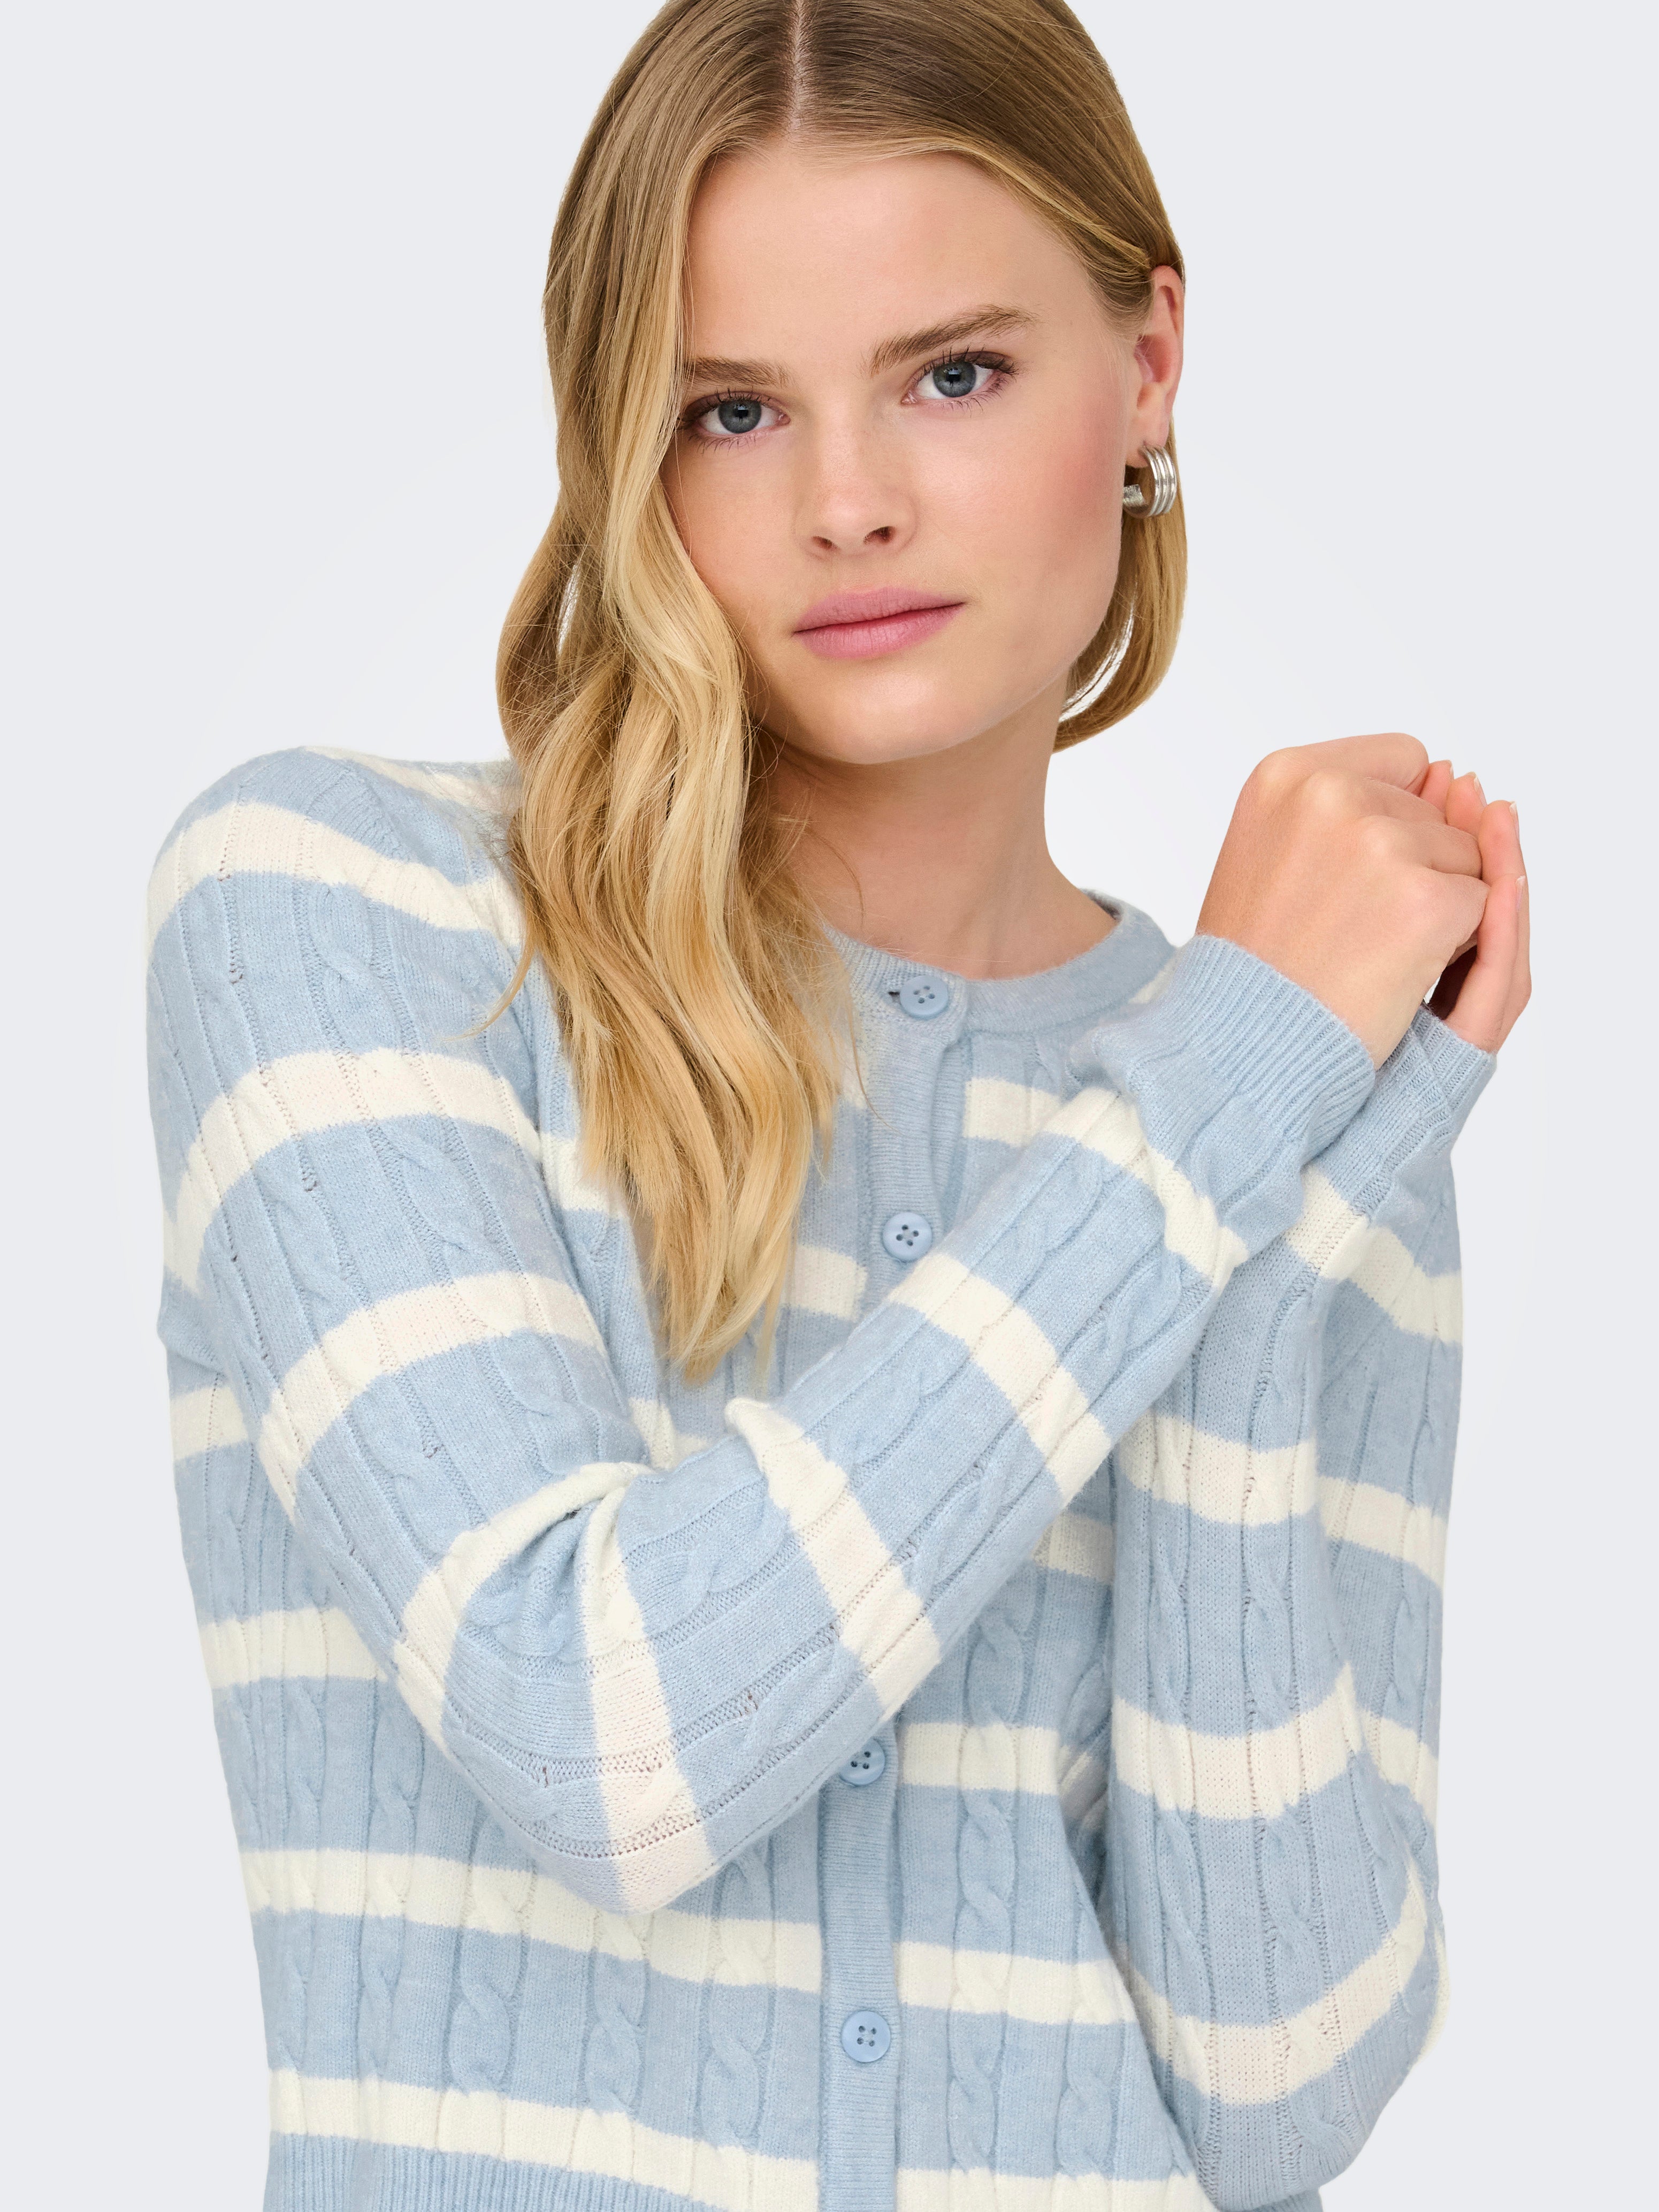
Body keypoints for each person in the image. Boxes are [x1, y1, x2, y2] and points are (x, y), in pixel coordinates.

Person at [144, 3, 1531, 2208]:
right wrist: (1206, 1105)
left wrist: (1255, 1251)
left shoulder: (1275, 1082)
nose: (848, 501)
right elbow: (606, 1743)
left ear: (1148, 366)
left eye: (952, 375)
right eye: (733, 409)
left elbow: (1275, 2096)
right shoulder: (346, 914)